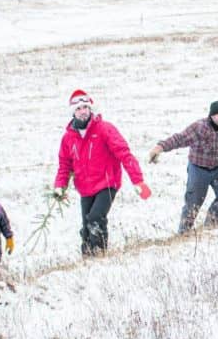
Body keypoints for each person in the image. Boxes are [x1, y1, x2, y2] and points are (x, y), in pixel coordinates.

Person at [53, 89, 151, 256]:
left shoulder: (104, 129)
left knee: (96, 219)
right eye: (78, 109)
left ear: (90, 108)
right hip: (85, 187)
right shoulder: (68, 138)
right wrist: (60, 186)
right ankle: (87, 257)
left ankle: (100, 255)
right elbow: (64, 165)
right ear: (72, 112)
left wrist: (138, 180)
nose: (82, 111)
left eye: (85, 107)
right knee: (86, 226)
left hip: (107, 183)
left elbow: (124, 153)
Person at [148, 100, 218, 234]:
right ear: (212, 116)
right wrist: (160, 147)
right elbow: (179, 139)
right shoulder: (200, 127)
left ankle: (210, 226)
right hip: (198, 169)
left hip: (217, 169)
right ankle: (183, 233)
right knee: (193, 203)